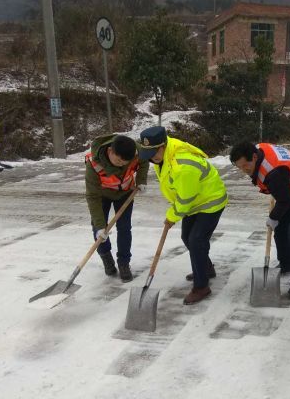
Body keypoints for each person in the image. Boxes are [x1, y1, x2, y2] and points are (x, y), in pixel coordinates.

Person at [137, 126, 227, 305]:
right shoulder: (164, 155)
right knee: (187, 237)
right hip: (195, 202)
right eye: (149, 154)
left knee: (196, 240)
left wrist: (172, 216)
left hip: (210, 202)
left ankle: (201, 286)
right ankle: (206, 268)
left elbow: (185, 199)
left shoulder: (182, 165)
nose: (152, 159)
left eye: (154, 153)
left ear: (163, 146)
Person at [229, 141, 290, 299]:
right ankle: (286, 264)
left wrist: (273, 218)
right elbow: (282, 194)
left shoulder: (274, 172)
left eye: (246, 166)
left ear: (254, 156)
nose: (244, 171)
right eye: (240, 167)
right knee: (280, 228)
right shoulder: (259, 151)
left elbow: (284, 201)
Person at [85, 134, 149, 282]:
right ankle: (106, 257)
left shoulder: (136, 152)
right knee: (98, 229)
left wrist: (141, 180)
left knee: (125, 228)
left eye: (124, 162)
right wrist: (101, 226)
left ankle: (124, 263)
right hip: (102, 195)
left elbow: (144, 161)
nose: (121, 164)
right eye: (118, 160)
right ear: (110, 151)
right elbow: (92, 197)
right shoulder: (94, 164)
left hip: (125, 193)